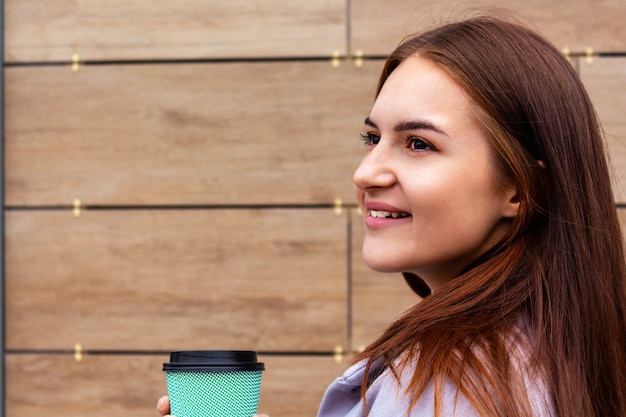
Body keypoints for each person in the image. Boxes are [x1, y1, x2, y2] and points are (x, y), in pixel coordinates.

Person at [157, 15, 626, 417]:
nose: (366, 173)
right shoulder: (558, 350)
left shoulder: (454, 381)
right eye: (372, 139)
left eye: (419, 144)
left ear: (522, 189)